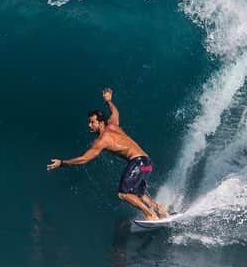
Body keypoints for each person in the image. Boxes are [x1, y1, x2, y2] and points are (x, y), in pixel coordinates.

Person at [47, 88, 170, 220]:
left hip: (138, 163)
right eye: (89, 122)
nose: (89, 125)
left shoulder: (101, 140)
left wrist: (62, 163)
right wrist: (109, 101)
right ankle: (159, 209)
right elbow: (115, 112)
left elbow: (83, 159)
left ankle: (150, 214)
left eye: (92, 122)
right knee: (138, 193)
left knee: (123, 194)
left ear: (100, 123)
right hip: (147, 163)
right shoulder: (113, 125)